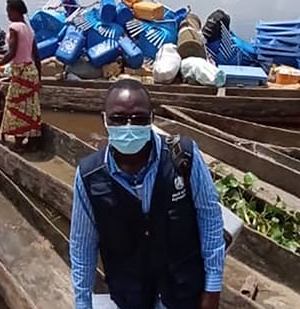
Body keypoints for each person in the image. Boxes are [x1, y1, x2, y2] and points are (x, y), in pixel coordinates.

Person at [70, 79, 225, 309]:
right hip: (130, 295)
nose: (128, 126)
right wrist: (83, 304)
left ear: (151, 119)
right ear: (105, 119)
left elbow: (210, 220)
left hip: (182, 292)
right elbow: (82, 245)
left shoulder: (183, 157)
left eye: (139, 118)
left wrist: (212, 288)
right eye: (118, 118)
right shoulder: (89, 175)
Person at [0, 0, 42, 152]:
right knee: (31, 107)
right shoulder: (28, 29)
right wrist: (39, 77)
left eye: (8, 12)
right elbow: (36, 55)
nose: (7, 15)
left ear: (15, 11)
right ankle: (33, 141)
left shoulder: (14, 27)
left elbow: (12, 52)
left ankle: (19, 143)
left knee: (15, 107)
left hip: (20, 72)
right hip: (31, 70)